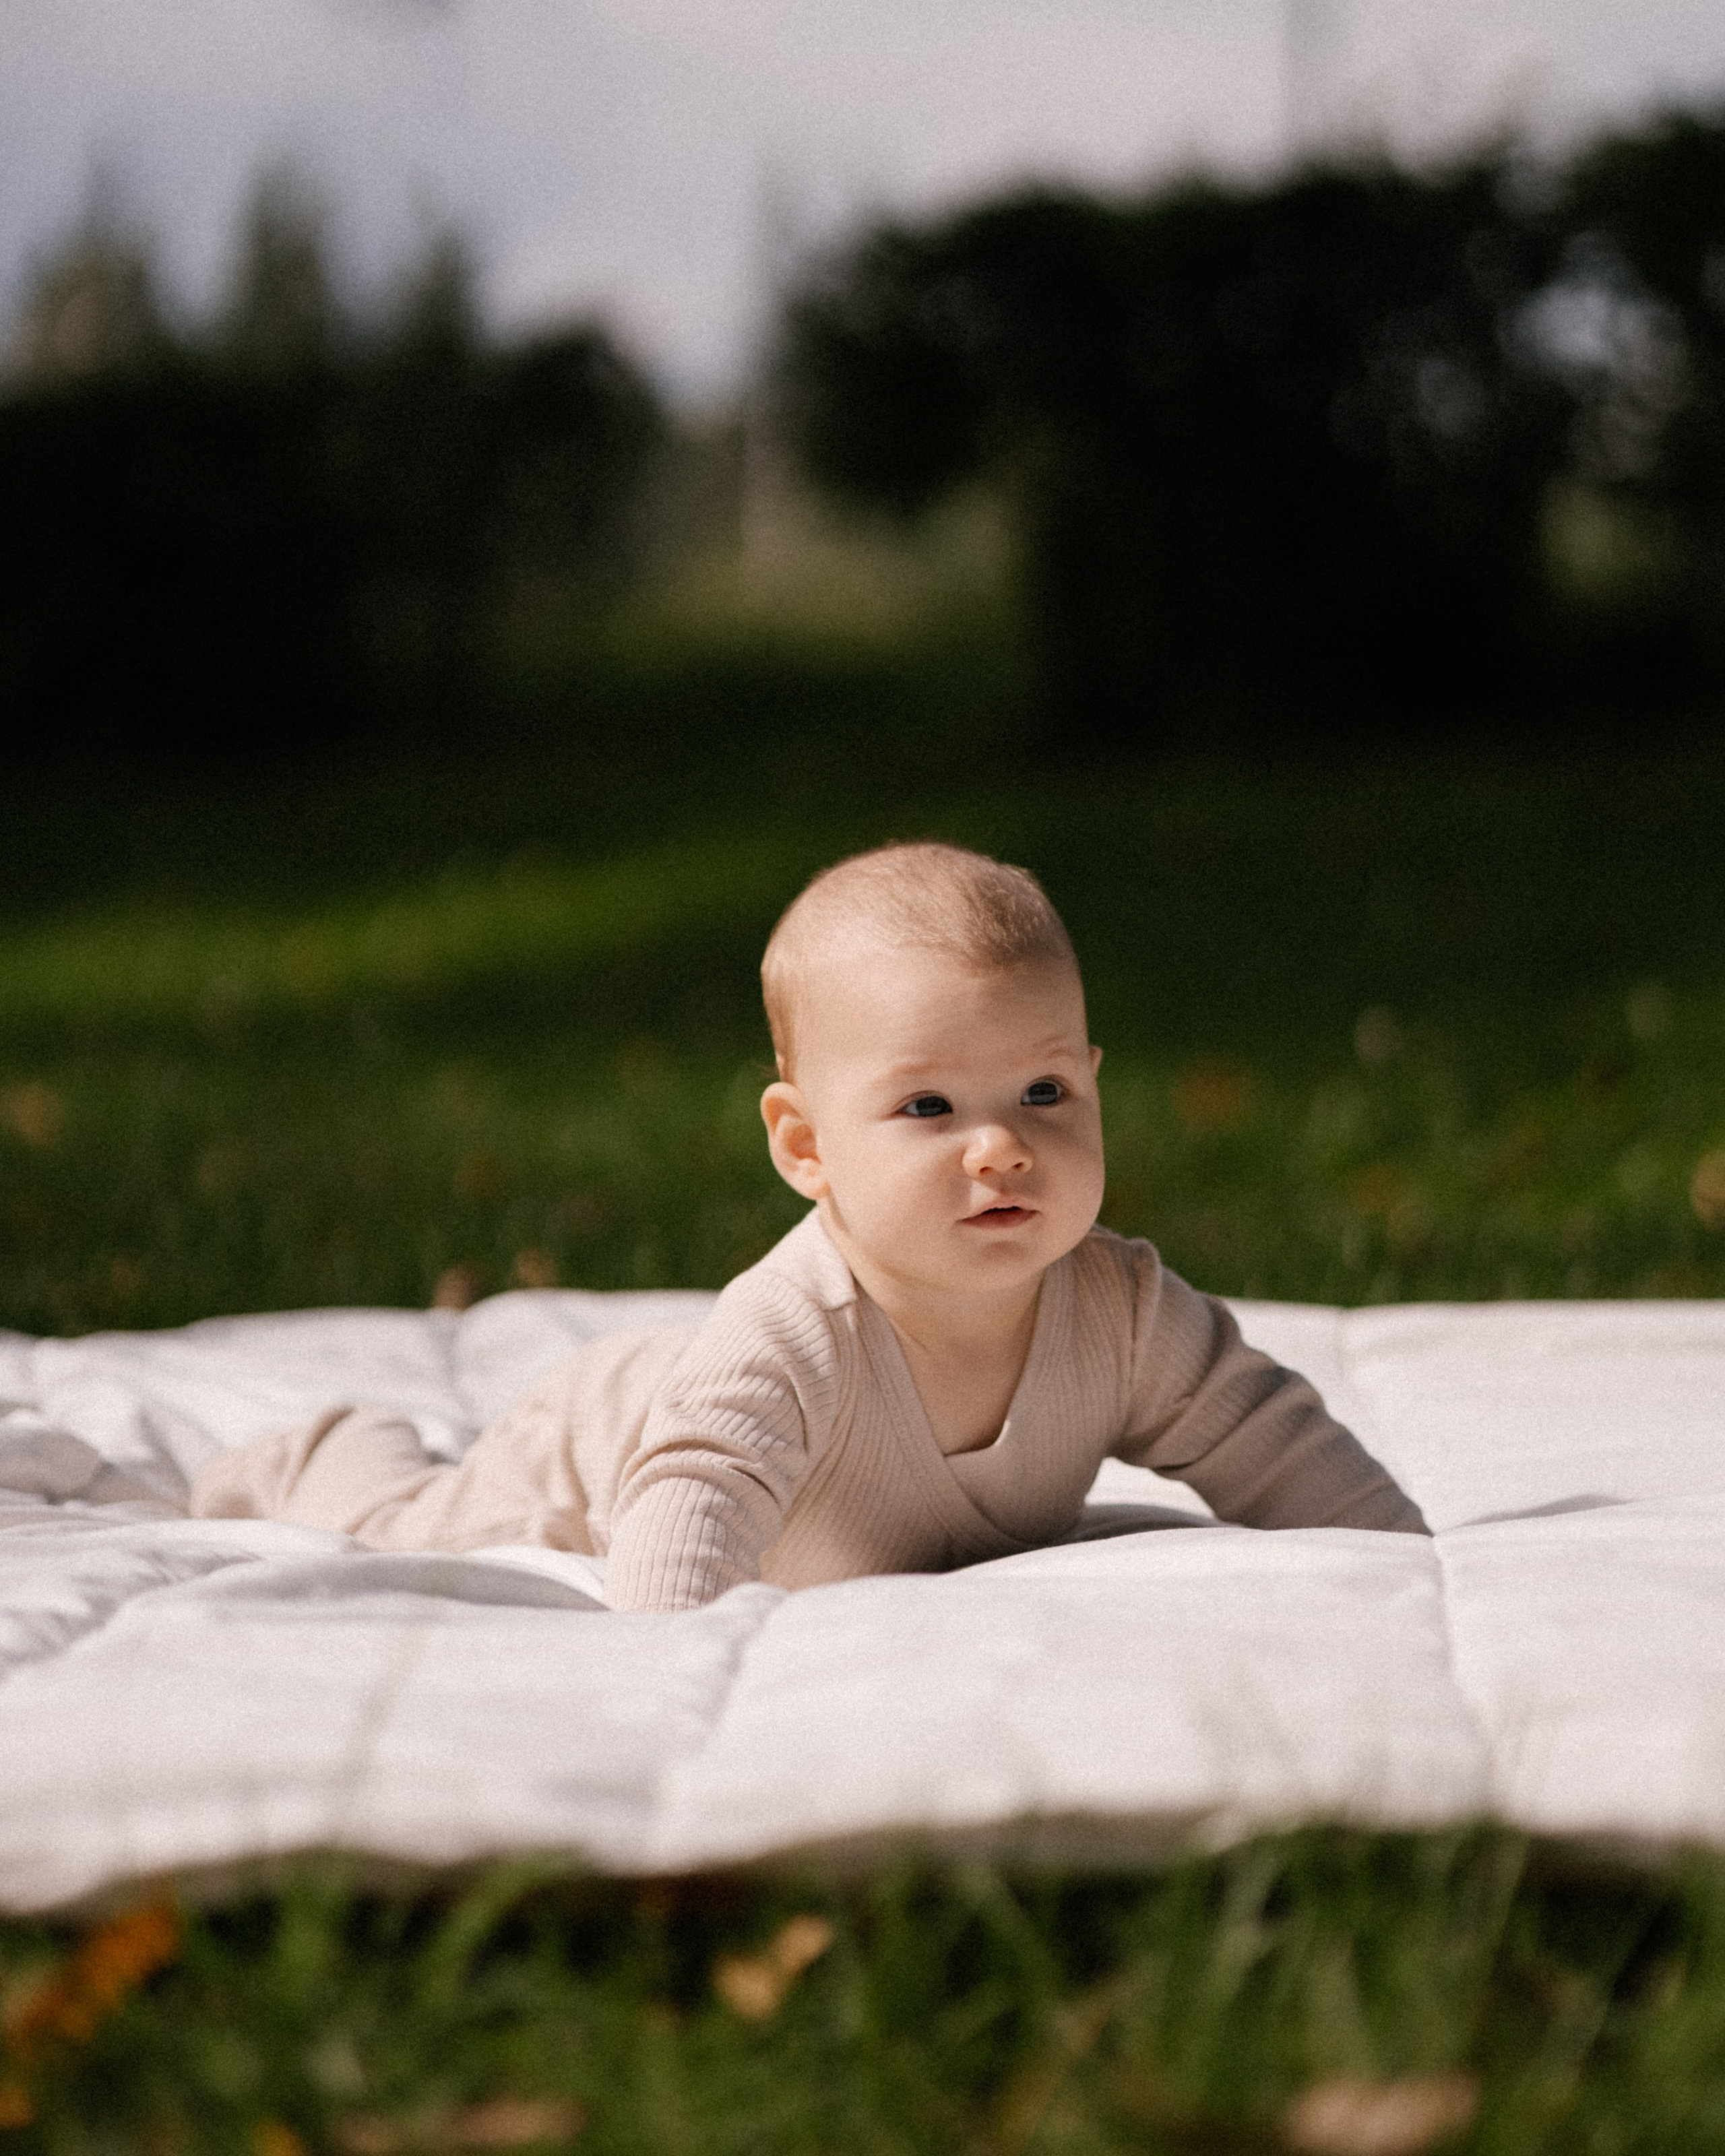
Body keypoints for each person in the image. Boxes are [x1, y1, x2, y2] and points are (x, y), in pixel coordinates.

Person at [192, 842, 1427, 1607]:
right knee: (415, 1520)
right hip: (610, 1442)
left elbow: (1264, 1433)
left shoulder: (1126, 1311)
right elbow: (694, 1501)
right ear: (805, 1147)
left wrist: (1404, 1553)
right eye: (928, 1106)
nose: (1001, 1145)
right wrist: (671, 1655)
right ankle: (323, 1449)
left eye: (1044, 1093)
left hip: (749, 1463)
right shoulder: (792, 1336)